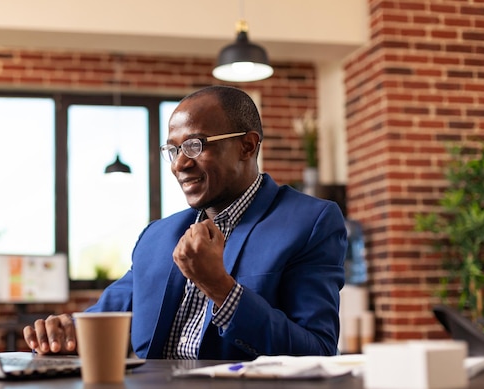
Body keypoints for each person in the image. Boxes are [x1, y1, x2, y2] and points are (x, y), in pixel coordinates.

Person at [23, 85, 347, 360]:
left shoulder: (311, 222)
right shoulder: (157, 236)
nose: (180, 164)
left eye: (195, 145)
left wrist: (220, 288)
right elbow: (106, 316)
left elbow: (317, 352)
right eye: (174, 149)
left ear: (247, 146)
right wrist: (67, 329)